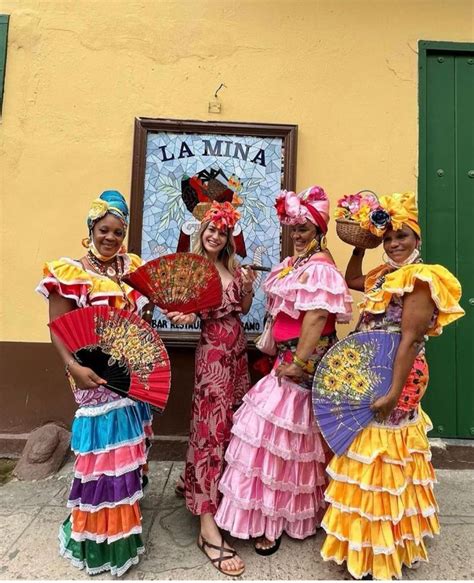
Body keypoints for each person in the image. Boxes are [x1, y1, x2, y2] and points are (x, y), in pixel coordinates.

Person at [320, 191, 465, 580]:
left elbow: (411, 340)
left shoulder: (421, 278)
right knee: (370, 452)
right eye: (388, 239)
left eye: (402, 236)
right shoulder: (384, 275)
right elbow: (352, 279)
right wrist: (359, 246)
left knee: (385, 452)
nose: (395, 244)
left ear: (418, 240)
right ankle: (366, 541)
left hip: (398, 374)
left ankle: (385, 547)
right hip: (372, 371)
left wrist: (393, 392)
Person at [214, 187, 353, 561]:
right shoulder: (298, 263)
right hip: (286, 362)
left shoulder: (320, 267)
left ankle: (274, 521)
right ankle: (269, 515)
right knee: (284, 441)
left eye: (305, 227)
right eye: (293, 227)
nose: (298, 233)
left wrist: (300, 360)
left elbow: (318, 316)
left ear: (319, 229)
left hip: (301, 368)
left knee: (283, 439)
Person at [36, 190, 153, 577]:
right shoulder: (72, 272)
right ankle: (97, 539)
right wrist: (73, 367)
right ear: (91, 229)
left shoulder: (131, 268)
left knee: (126, 459)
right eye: (104, 230)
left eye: (118, 232)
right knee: (102, 461)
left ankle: (123, 529)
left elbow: (145, 316)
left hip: (131, 380)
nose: (111, 238)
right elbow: (58, 329)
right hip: (93, 378)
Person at [165, 201, 255, 577]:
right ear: (201, 234)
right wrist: (185, 313)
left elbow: (245, 309)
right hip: (213, 359)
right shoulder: (195, 270)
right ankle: (206, 526)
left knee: (233, 427)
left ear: (229, 236)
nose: (215, 235)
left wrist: (248, 289)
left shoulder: (233, 268)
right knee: (209, 432)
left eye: (222, 231)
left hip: (237, 355)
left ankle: (207, 489)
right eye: (210, 230)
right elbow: (184, 311)